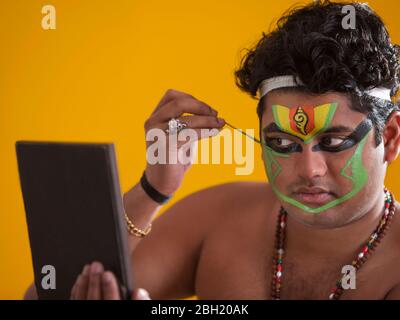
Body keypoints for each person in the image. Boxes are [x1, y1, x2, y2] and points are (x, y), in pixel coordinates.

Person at [25, 0, 400, 300]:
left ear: (391, 136)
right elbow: (47, 294)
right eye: (282, 144)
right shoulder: (220, 217)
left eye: (333, 143)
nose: (308, 169)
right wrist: (153, 190)